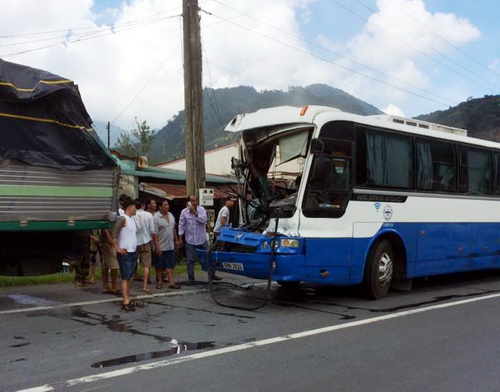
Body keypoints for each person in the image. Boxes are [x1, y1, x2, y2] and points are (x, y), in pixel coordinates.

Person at [178, 195, 221, 284]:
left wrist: (195, 212)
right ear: (188, 202)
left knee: (209, 257)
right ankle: (191, 278)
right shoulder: (184, 212)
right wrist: (180, 238)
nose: (194, 202)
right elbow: (181, 225)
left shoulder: (201, 210)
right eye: (192, 201)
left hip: (201, 239)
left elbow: (204, 220)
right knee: (190, 260)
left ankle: (212, 275)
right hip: (190, 240)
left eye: (195, 200)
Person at [113, 197, 138, 311]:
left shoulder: (132, 219)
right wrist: (117, 248)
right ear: (130, 207)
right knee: (125, 277)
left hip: (133, 251)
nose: (136, 209)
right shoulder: (122, 219)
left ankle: (128, 298)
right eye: (134, 207)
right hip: (125, 252)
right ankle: (125, 301)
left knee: (129, 277)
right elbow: (114, 234)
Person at [153, 198, 181, 289]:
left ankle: (171, 282)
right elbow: (155, 234)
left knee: (170, 265)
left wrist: (176, 239)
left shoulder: (171, 215)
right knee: (159, 266)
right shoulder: (156, 218)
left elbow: (173, 229)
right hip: (161, 245)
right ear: (160, 207)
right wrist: (157, 247)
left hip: (170, 245)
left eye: (168, 205)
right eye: (165, 205)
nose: (167, 207)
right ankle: (159, 281)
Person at [134, 198, 156, 293]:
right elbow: (152, 230)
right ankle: (145, 286)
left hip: (134, 242)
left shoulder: (133, 215)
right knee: (146, 265)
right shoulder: (149, 215)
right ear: (143, 205)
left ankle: (129, 282)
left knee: (132, 263)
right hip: (146, 241)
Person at [100, 228, 120, 295]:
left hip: (106, 242)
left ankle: (105, 286)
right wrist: (111, 241)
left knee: (105, 265)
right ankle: (114, 286)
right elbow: (106, 230)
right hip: (109, 243)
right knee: (114, 265)